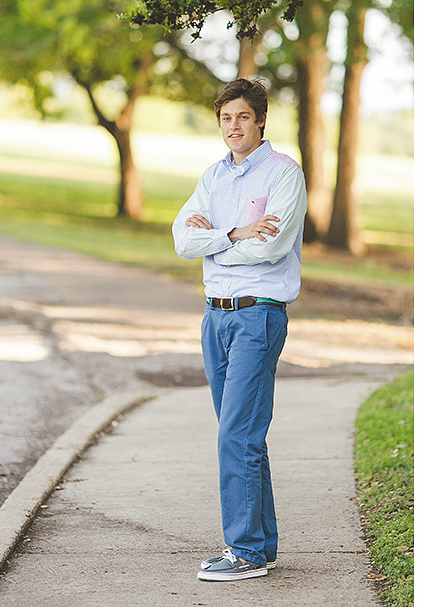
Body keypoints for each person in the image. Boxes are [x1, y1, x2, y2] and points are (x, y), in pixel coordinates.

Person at [172, 77, 308, 582]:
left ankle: (244, 553)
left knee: (236, 435)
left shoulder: (283, 174)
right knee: (243, 436)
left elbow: (270, 247)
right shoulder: (213, 176)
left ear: (261, 120)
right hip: (215, 316)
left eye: (243, 117)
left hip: (258, 314)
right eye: (227, 118)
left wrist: (213, 241)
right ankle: (263, 546)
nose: (234, 126)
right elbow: (182, 239)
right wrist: (231, 233)